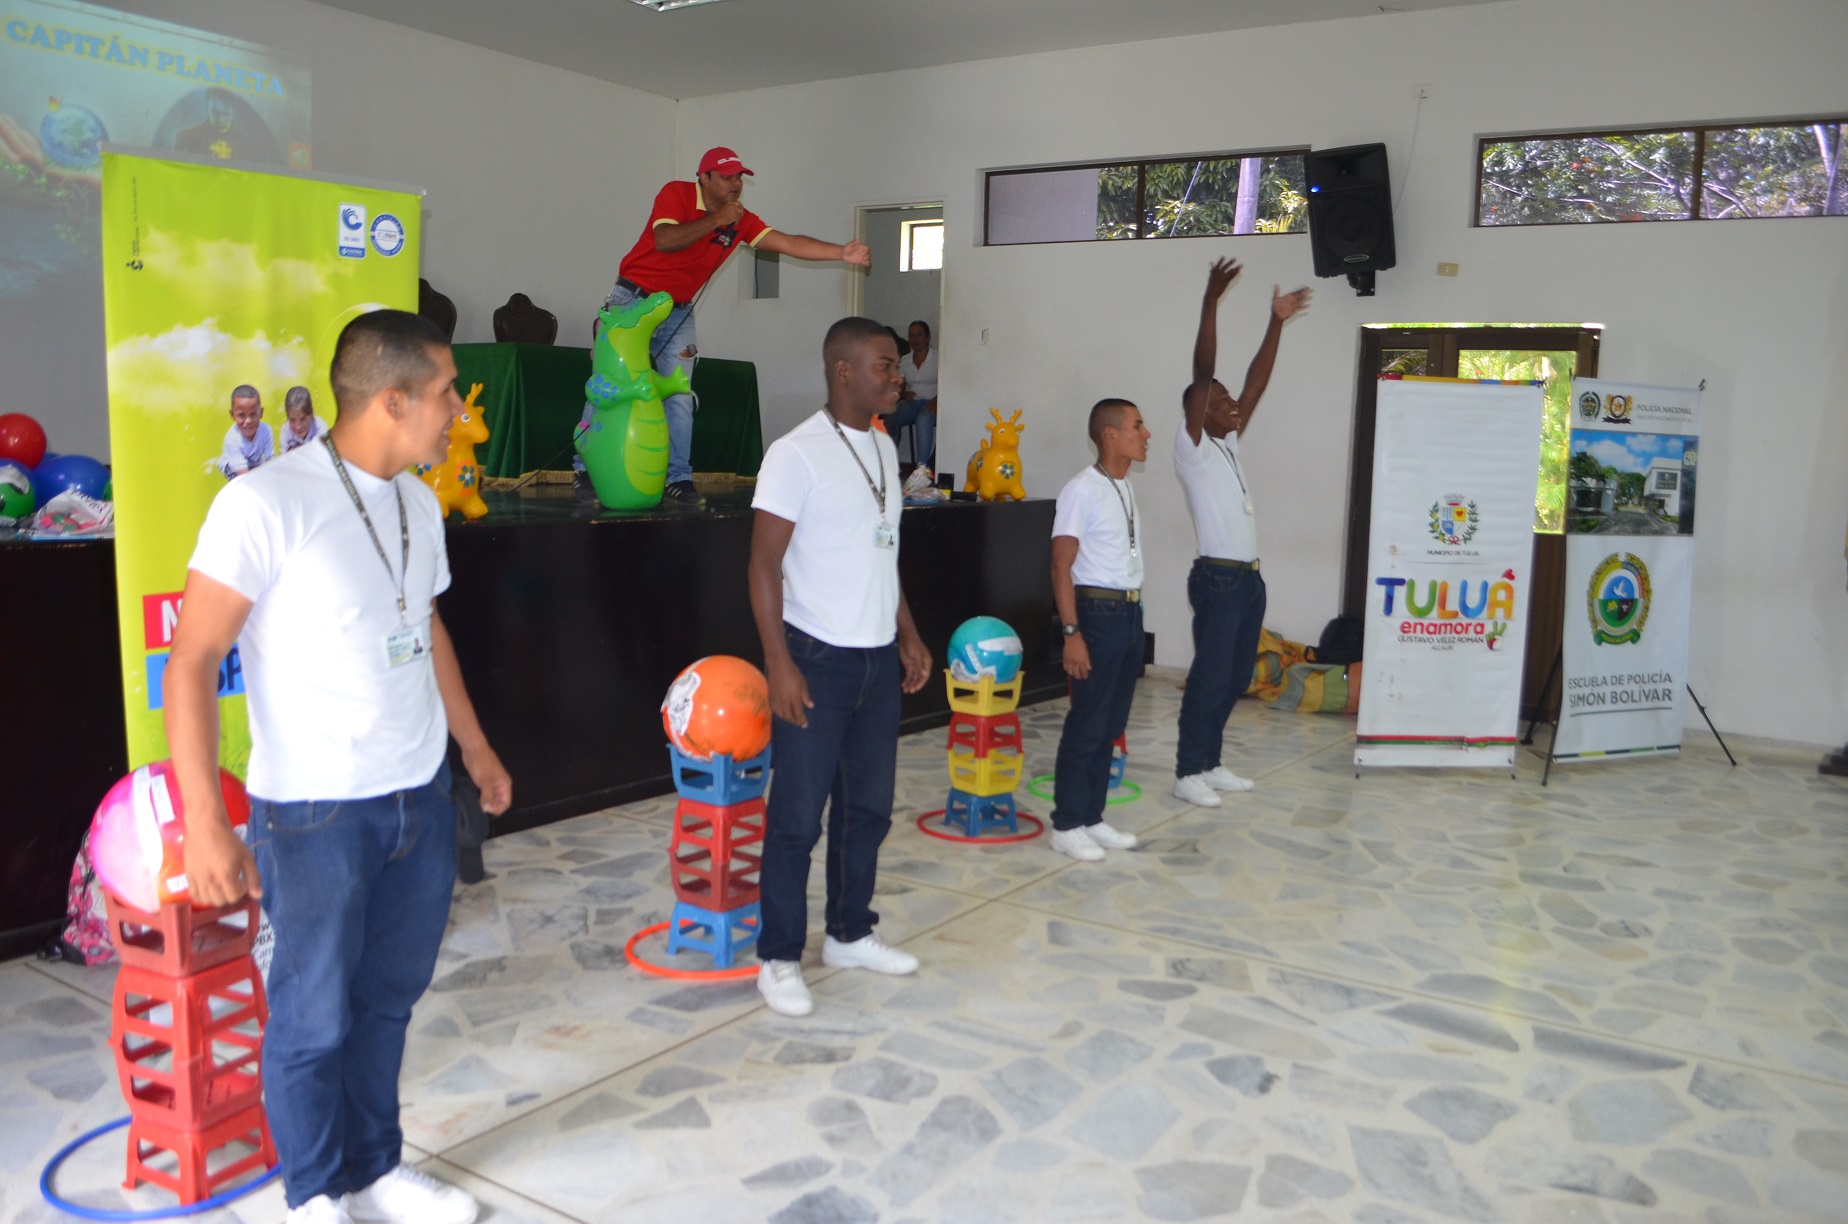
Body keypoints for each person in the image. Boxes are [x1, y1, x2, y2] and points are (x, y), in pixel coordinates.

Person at [163, 310, 513, 1224]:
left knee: (390, 999)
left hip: (417, 802)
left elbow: (424, 624)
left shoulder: (415, 500)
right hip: (315, 814)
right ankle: (311, 1192)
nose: (452, 411)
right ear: (392, 399)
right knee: (313, 1017)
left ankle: (374, 1169)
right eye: (442, 393)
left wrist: (471, 747)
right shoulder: (264, 502)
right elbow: (193, 659)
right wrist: (206, 820)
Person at [747, 316, 932, 1016]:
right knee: (797, 818)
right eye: (885, 365)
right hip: (814, 658)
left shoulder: (882, 448)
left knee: (869, 811)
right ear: (843, 370)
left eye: (895, 366)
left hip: (876, 661)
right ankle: (778, 956)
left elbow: (882, 552)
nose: (897, 376)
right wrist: (778, 664)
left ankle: (850, 932)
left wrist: (907, 634)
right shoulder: (795, 454)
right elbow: (763, 564)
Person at [577, 147, 872, 507]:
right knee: (609, 385)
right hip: (632, 303)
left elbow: (789, 242)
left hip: (677, 311)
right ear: (704, 178)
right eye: (728, 177)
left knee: (680, 395)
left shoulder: (742, 220)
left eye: (739, 177)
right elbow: (665, 240)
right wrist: (717, 221)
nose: (736, 184)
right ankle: (583, 468)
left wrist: (841, 252)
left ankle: (678, 478)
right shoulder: (677, 193)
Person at [1171, 260, 1312, 807]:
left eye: (1231, 400)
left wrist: (1276, 322)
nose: (1233, 404)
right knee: (1208, 679)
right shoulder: (1195, 451)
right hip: (1218, 580)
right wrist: (1211, 300)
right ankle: (1187, 772)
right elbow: (1204, 366)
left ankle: (1210, 761)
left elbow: (1256, 380)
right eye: (1219, 399)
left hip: (1248, 581)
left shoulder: (1227, 444)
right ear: (1196, 412)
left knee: (1233, 680)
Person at [1047, 400, 1150, 862]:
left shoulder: (1124, 487)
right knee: (1088, 721)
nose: (1145, 433)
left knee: (1111, 723)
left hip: (1128, 614)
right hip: (1097, 614)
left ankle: (1092, 816)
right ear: (1110, 435)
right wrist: (1072, 632)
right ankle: (1067, 823)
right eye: (1137, 425)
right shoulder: (1081, 489)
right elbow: (1060, 565)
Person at [882, 320, 938, 468]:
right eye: (911, 335)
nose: (915, 339)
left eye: (919, 335)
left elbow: (948, 386)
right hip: (913, 403)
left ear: (928, 337)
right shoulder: (905, 360)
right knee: (891, 414)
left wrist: (937, 401)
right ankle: (888, 466)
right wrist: (904, 394)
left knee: (923, 420)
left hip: (934, 403)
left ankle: (922, 470)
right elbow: (900, 386)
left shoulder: (938, 358)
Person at [219, 385, 274, 479]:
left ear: (261, 412)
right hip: (233, 468)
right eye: (241, 415)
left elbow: (271, 461)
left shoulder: (266, 430)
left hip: (253, 464)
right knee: (239, 484)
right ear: (232, 415)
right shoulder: (232, 439)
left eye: (253, 414)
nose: (248, 421)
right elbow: (243, 475)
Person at [281, 385, 327, 453]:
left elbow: (326, 457)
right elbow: (282, 458)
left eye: (303, 419)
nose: (298, 427)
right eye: (292, 420)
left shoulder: (320, 428)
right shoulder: (286, 430)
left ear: (312, 415)